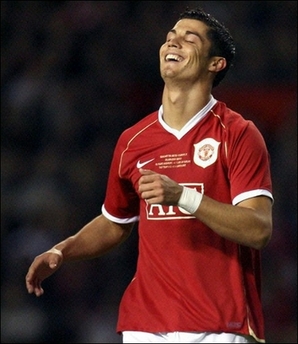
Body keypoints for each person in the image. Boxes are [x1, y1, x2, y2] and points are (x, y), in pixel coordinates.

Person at [25, 7, 273, 344]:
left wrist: (182, 196)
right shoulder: (133, 141)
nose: (174, 42)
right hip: (145, 323)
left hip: (218, 325)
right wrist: (63, 251)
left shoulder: (238, 134)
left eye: (190, 39)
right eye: (171, 37)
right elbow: (115, 221)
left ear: (216, 64)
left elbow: (258, 229)